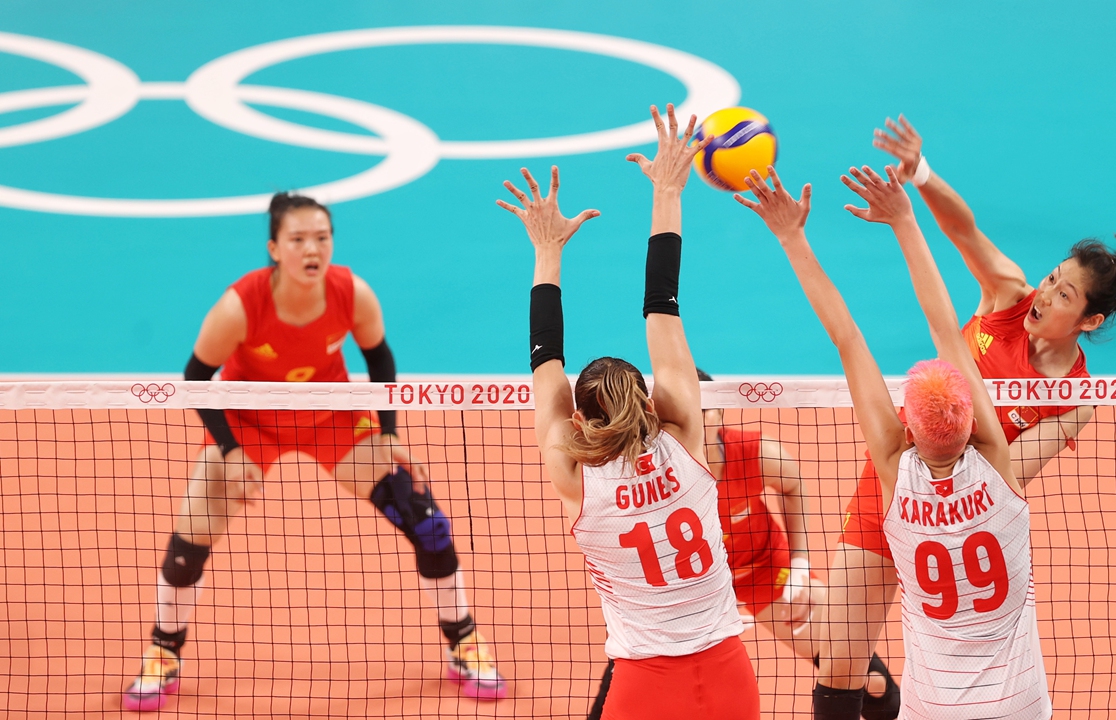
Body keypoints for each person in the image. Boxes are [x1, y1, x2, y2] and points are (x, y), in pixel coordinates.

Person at [815, 115, 1116, 712]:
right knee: (841, 658)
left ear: (1090, 321)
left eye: (1064, 295)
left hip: (959, 521)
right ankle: (875, 695)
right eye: (1052, 278)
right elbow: (964, 231)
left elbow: (1009, 472)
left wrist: (949, 494)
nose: (1045, 294)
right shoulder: (1009, 296)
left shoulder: (1073, 398)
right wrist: (921, 174)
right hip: (894, 482)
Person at [122, 193, 506, 712]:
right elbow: (195, 379)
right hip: (248, 421)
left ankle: (464, 642)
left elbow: (380, 359)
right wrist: (231, 452)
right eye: (298, 239)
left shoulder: (352, 294)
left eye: (322, 238)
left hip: (332, 416)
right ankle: (163, 653)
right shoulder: (241, 305)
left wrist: (388, 432)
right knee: (191, 539)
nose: (312, 249)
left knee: (427, 520)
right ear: (274, 248)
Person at [737, 162, 1051, 718]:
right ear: (975, 422)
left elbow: (847, 337)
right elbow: (942, 324)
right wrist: (906, 220)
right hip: (1019, 705)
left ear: (906, 428)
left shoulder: (895, 479)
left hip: (934, 709)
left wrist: (791, 235)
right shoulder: (999, 470)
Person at [499, 104, 758, 720]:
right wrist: (668, 191)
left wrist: (547, 251)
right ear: (649, 401)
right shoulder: (689, 442)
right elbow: (662, 304)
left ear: (581, 423)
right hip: (728, 675)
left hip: (643, 688)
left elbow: (546, 365)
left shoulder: (576, 476)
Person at [587, 369, 899, 720]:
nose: (696, 422)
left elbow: (794, 485)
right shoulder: (647, 475)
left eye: (704, 412)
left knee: (873, 684)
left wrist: (799, 563)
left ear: (720, 413)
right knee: (608, 707)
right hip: (686, 595)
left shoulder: (752, 453)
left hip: (763, 571)